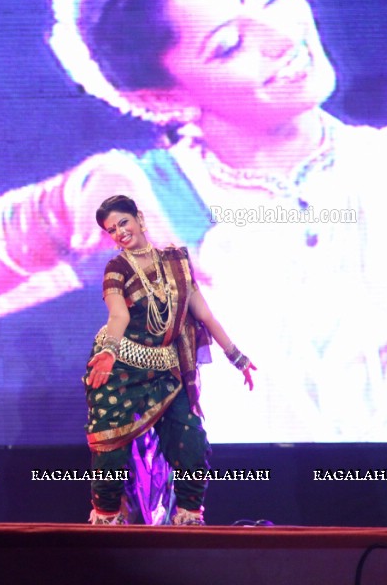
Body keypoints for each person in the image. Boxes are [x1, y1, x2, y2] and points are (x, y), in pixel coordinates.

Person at [0, 0, 387, 443]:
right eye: (229, 43)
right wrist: (61, 209)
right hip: (213, 524)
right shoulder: (145, 205)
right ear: (162, 98)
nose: (283, 38)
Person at [84, 195, 253, 526]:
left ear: (140, 219)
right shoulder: (116, 269)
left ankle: (188, 518)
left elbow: (202, 313)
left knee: (191, 440)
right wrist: (108, 351)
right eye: (111, 230)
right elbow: (117, 316)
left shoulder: (177, 262)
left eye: (123, 223)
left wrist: (236, 355)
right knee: (109, 449)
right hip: (119, 367)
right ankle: (107, 520)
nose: (119, 232)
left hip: (166, 369)